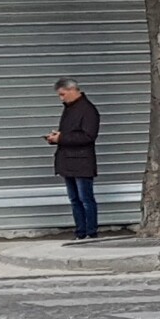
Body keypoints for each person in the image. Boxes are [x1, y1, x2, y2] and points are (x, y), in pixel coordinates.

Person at [46, 78, 101, 239]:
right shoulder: (70, 109)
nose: (61, 98)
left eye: (62, 94)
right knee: (75, 199)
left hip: (82, 162)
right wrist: (58, 137)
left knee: (85, 199)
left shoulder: (88, 110)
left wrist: (61, 138)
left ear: (72, 90)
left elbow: (88, 136)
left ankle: (91, 232)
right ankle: (80, 231)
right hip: (68, 161)